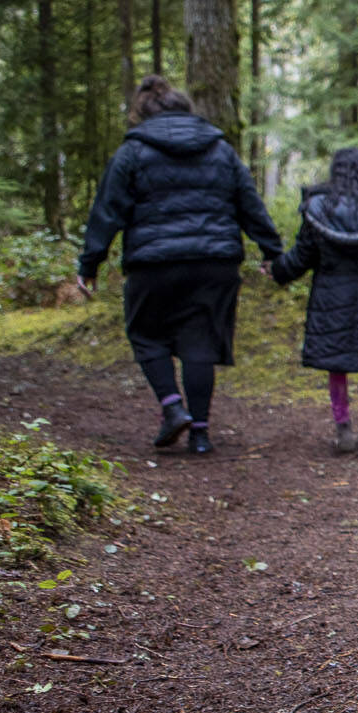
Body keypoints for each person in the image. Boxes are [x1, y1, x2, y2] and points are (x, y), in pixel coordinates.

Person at [77, 74, 284, 455]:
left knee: (145, 334)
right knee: (199, 341)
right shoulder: (220, 149)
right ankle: (200, 435)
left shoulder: (133, 152)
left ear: (143, 112)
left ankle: (173, 408)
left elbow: (108, 210)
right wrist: (272, 251)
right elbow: (249, 203)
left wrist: (90, 262)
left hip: (154, 264)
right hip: (214, 262)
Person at [270, 147, 358, 453]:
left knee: (337, 362)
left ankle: (343, 427)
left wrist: (278, 271)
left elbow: (301, 256)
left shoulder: (317, 208)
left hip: (330, 294)